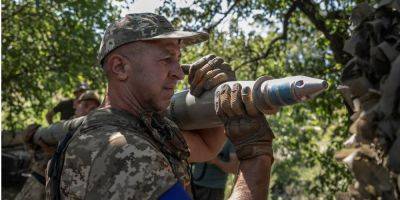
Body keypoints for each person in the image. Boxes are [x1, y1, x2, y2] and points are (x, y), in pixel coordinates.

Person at [46, 13, 274, 200]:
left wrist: (219, 97)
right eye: (167, 59)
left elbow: (206, 146)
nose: (178, 72)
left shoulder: (135, 127)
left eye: (178, 58)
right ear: (120, 67)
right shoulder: (123, 150)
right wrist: (256, 159)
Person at [15, 91, 100, 200]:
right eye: (85, 105)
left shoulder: (94, 132)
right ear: (75, 105)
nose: (88, 110)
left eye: (93, 108)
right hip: (40, 183)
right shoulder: (63, 126)